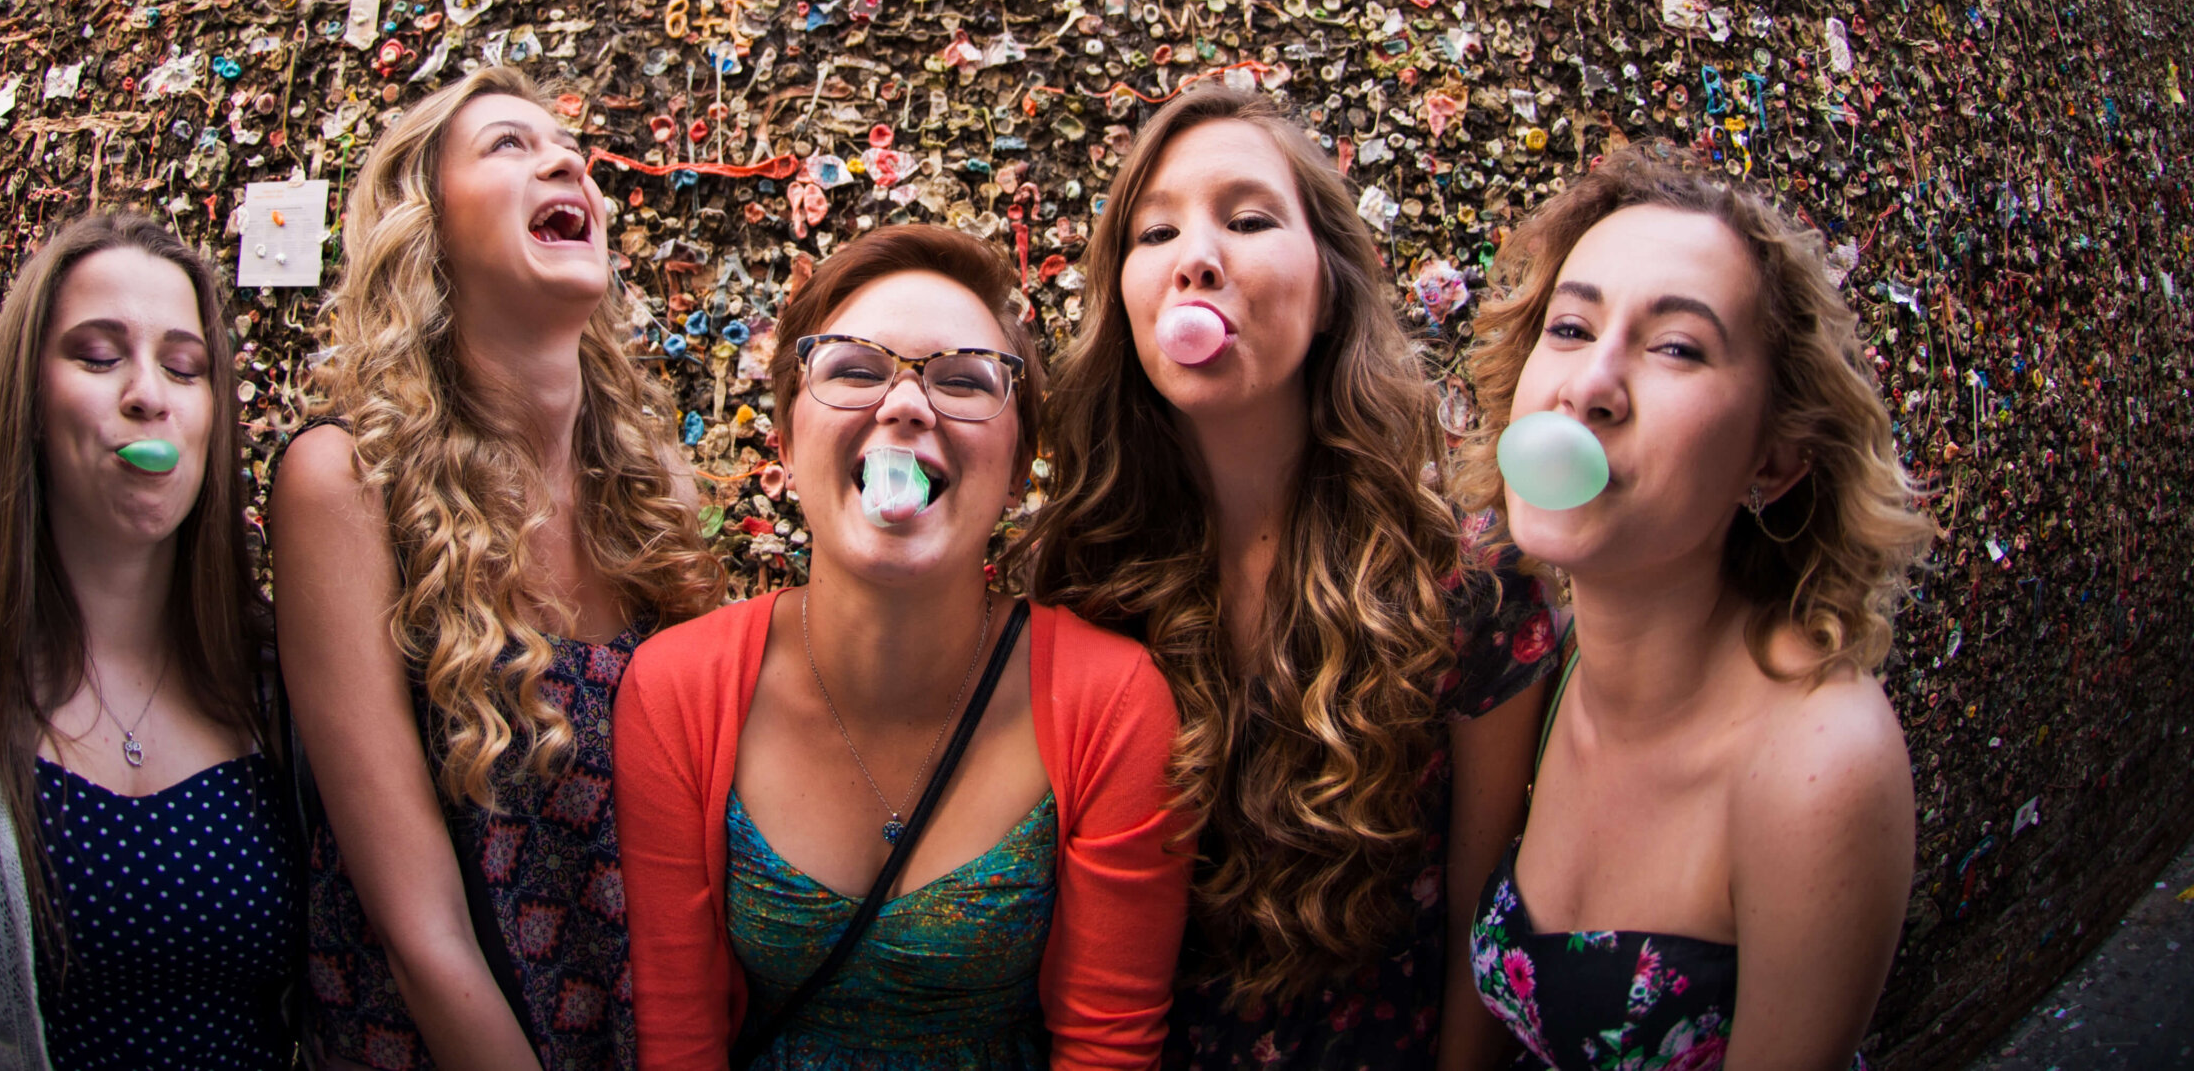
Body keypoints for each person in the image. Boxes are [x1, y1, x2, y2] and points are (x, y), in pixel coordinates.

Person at [1027, 82, 1561, 1071]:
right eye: (1154, 233)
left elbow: (1487, 918)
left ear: (1328, 292)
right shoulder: (1074, 582)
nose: (1196, 257)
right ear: (1124, 302)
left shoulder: (1471, 588)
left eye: (1246, 218)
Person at [615, 223, 1189, 1070]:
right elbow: (679, 1044)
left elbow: (1108, 1048)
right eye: (853, 369)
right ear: (782, 439)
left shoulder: (1112, 702)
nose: (906, 403)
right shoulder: (677, 693)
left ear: (1020, 456)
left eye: (962, 380)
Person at [271, 64, 721, 1071]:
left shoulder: (653, 502)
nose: (564, 157)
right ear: (425, 231)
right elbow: (420, 929)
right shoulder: (345, 485)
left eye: (567, 149)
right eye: (507, 146)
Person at [1457, 145, 1932, 1069]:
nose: (1588, 387)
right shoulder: (1555, 664)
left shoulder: (1819, 764)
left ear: (1775, 457)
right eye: (1569, 327)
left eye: (1676, 345)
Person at [0, 211, 296, 1071]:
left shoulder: (268, 667)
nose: (148, 393)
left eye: (184, 366)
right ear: (30, 403)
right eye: (97, 355)